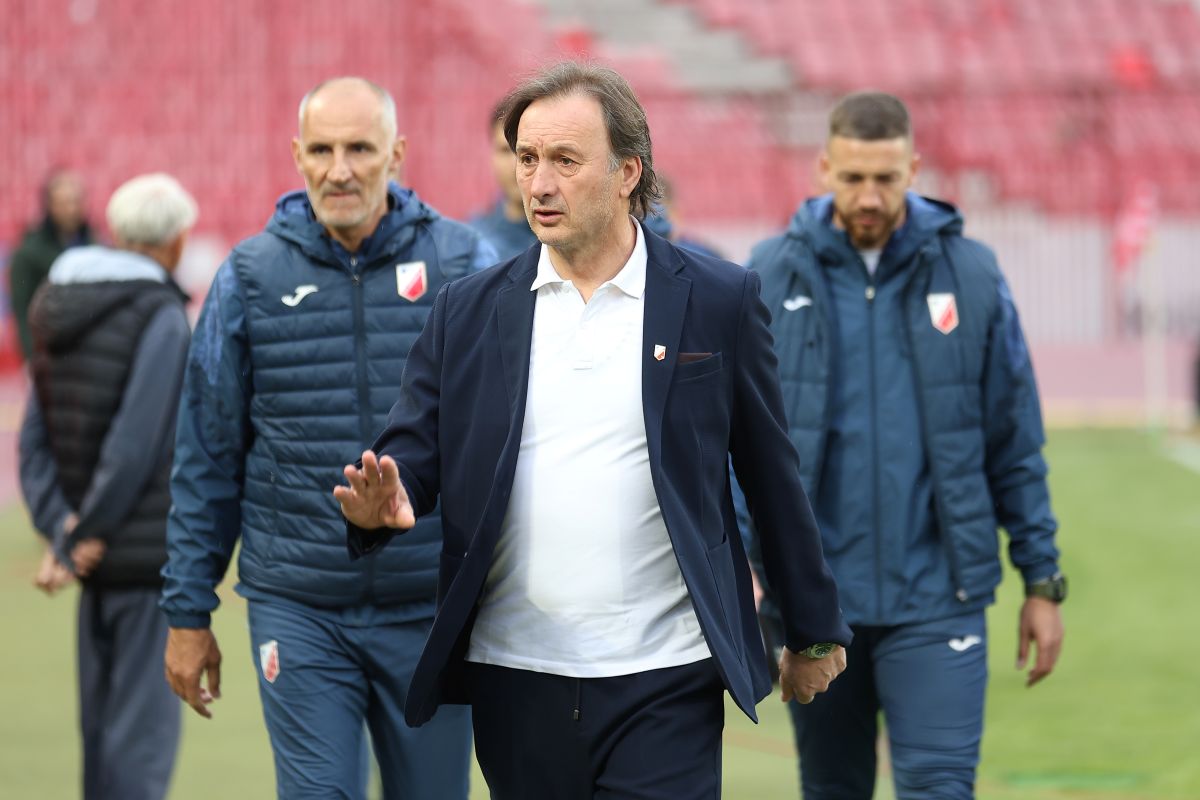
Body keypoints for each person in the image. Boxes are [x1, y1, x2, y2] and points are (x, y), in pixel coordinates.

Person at [335, 61, 852, 800]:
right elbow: (414, 448)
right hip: (516, 674)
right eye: (527, 159)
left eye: (565, 161)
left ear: (626, 172)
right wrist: (387, 498)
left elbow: (772, 475)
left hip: (668, 673)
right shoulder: (467, 309)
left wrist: (812, 626)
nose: (539, 183)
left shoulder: (718, 300)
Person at [160, 77, 494, 800]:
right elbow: (207, 453)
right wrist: (188, 611)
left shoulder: (464, 262)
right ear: (297, 156)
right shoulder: (248, 276)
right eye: (321, 150)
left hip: (430, 610)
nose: (339, 169)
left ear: (396, 155)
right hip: (299, 607)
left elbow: (509, 439)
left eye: (360, 149)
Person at [744, 91, 1067, 799]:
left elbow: (1013, 438)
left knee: (941, 786)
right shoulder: (767, 274)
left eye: (886, 178)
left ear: (914, 170)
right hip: (815, 605)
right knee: (833, 789)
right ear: (824, 168)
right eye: (853, 177)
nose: (869, 195)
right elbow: (741, 448)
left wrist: (1042, 582)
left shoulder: (973, 275)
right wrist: (747, 573)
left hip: (939, 598)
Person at [19, 172, 197, 800]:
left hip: (93, 559)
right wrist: (84, 533)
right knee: (139, 749)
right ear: (176, 241)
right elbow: (135, 445)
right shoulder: (163, 317)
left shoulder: (54, 309)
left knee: (100, 744)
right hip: (142, 560)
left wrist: (63, 529)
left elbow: (33, 443)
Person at [9, 169, 94, 361]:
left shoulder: (95, 245)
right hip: (49, 355)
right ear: (49, 206)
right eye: (64, 203)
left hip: (89, 354)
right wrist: (32, 358)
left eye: (76, 201)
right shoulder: (29, 253)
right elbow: (22, 312)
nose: (72, 209)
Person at [468, 100, 539, 260]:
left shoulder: (574, 238)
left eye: (528, 153)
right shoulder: (471, 246)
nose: (516, 165)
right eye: (505, 150)